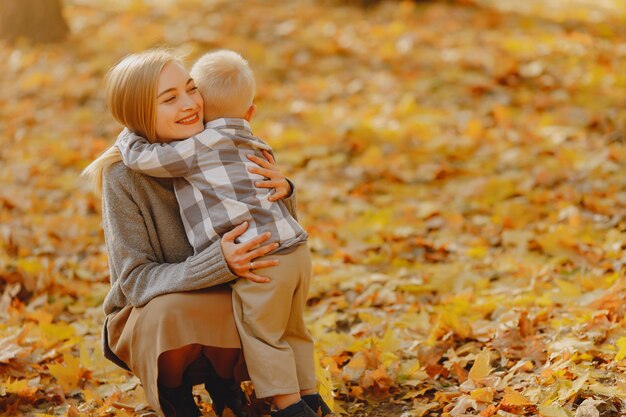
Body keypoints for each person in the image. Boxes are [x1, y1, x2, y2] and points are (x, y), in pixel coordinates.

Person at [113, 50, 334, 417]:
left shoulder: (219, 142)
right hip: (163, 307)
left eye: (192, 89)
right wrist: (220, 262)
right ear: (137, 114)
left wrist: (285, 189)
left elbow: (268, 225)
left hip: (243, 282)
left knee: (266, 308)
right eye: (170, 99)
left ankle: (250, 389)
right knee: (171, 312)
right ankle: (176, 394)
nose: (190, 104)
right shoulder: (124, 176)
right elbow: (134, 281)